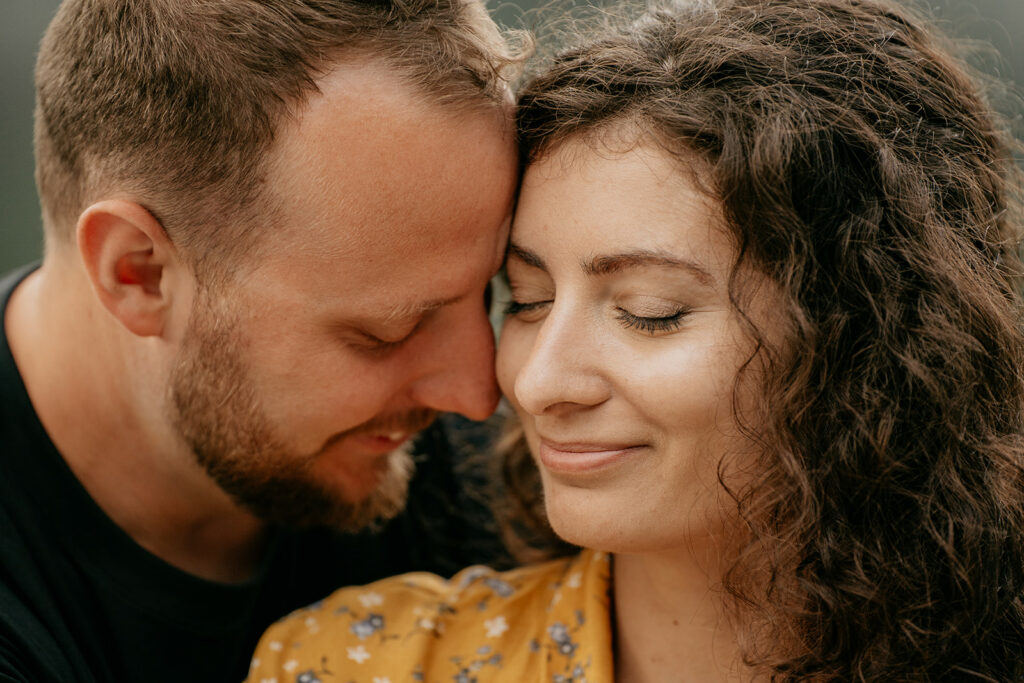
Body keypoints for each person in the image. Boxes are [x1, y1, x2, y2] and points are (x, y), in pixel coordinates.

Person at [246, 0, 1024, 680]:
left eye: (648, 311)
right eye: (526, 299)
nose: (536, 382)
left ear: (869, 337)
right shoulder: (358, 664)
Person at [0, 1, 524, 681]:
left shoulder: (511, 490)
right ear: (140, 272)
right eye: (385, 332)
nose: (482, 395)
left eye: (496, 294)